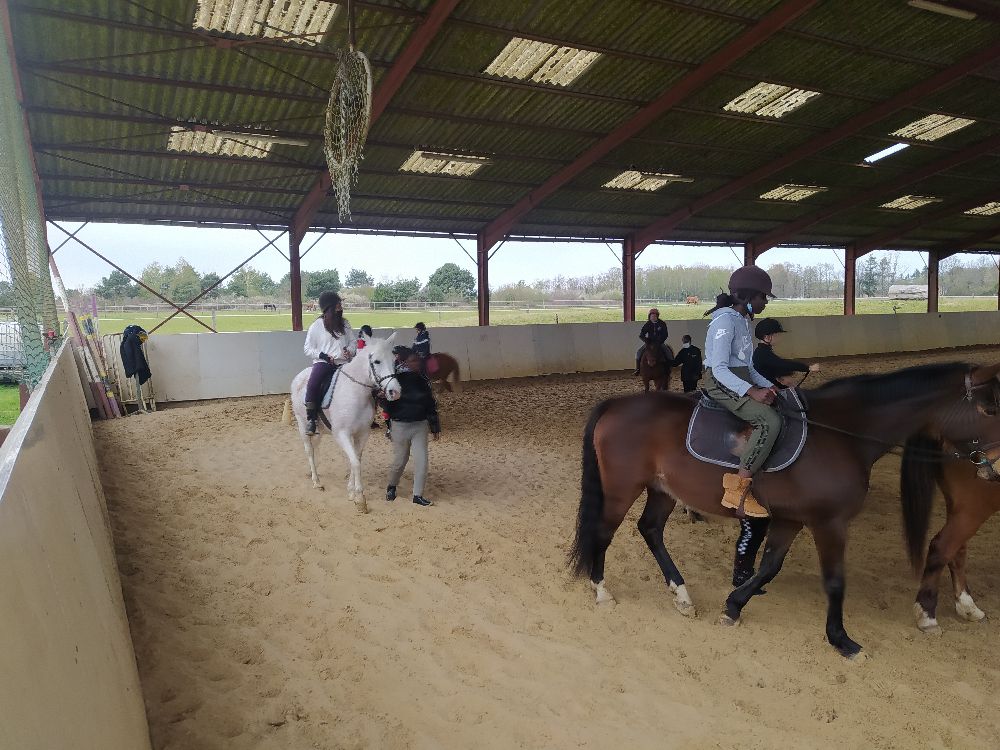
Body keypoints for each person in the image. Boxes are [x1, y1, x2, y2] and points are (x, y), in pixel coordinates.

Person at [702, 265, 780, 519]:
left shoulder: (743, 321)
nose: (765, 302)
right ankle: (737, 487)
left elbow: (748, 367)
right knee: (769, 420)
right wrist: (751, 392)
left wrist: (766, 385)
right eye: (763, 297)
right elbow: (721, 369)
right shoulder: (725, 322)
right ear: (747, 296)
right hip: (720, 381)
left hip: (737, 377)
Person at [384, 346, 440, 507]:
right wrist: (390, 424)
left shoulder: (423, 381)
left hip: (420, 425)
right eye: (413, 361)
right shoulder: (395, 381)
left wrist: (435, 426)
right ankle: (392, 485)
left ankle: (417, 495)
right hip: (400, 426)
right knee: (400, 461)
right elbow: (387, 405)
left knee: (422, 461)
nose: (417, 363)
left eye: (417, 361)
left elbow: (430, 404)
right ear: (405, 363)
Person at [302, 291, 356, 436]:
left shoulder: (345, 324)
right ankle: (311, 419)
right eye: (338, 304)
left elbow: (353, 342)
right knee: (313, 384)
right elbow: (307, 348)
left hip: (344, 362)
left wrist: (350, 351)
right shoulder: (317, 325)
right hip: (324, 363)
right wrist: (322, 356)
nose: (340, 306)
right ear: (329, 306)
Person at [752, 318, 820, 388]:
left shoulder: (763, 351)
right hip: (770, 388)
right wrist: (808, 367)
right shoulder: (762, 353)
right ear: (767, 337)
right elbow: (783, 364)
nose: (780, 336)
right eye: (777, 334)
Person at [633, 308, 669, 376]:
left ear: (657, 316)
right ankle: (638, 369)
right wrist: (646, 340)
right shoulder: (648, 324)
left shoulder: (662, 324)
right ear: (649, 316)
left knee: (668, 352)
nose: (653, 317)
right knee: (638, 352)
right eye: (651, 316)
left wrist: (660, 341)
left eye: (654, 316)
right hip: (649, 343)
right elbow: (641, 335)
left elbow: (665, 334)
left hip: (659, 343)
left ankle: (668, 368)